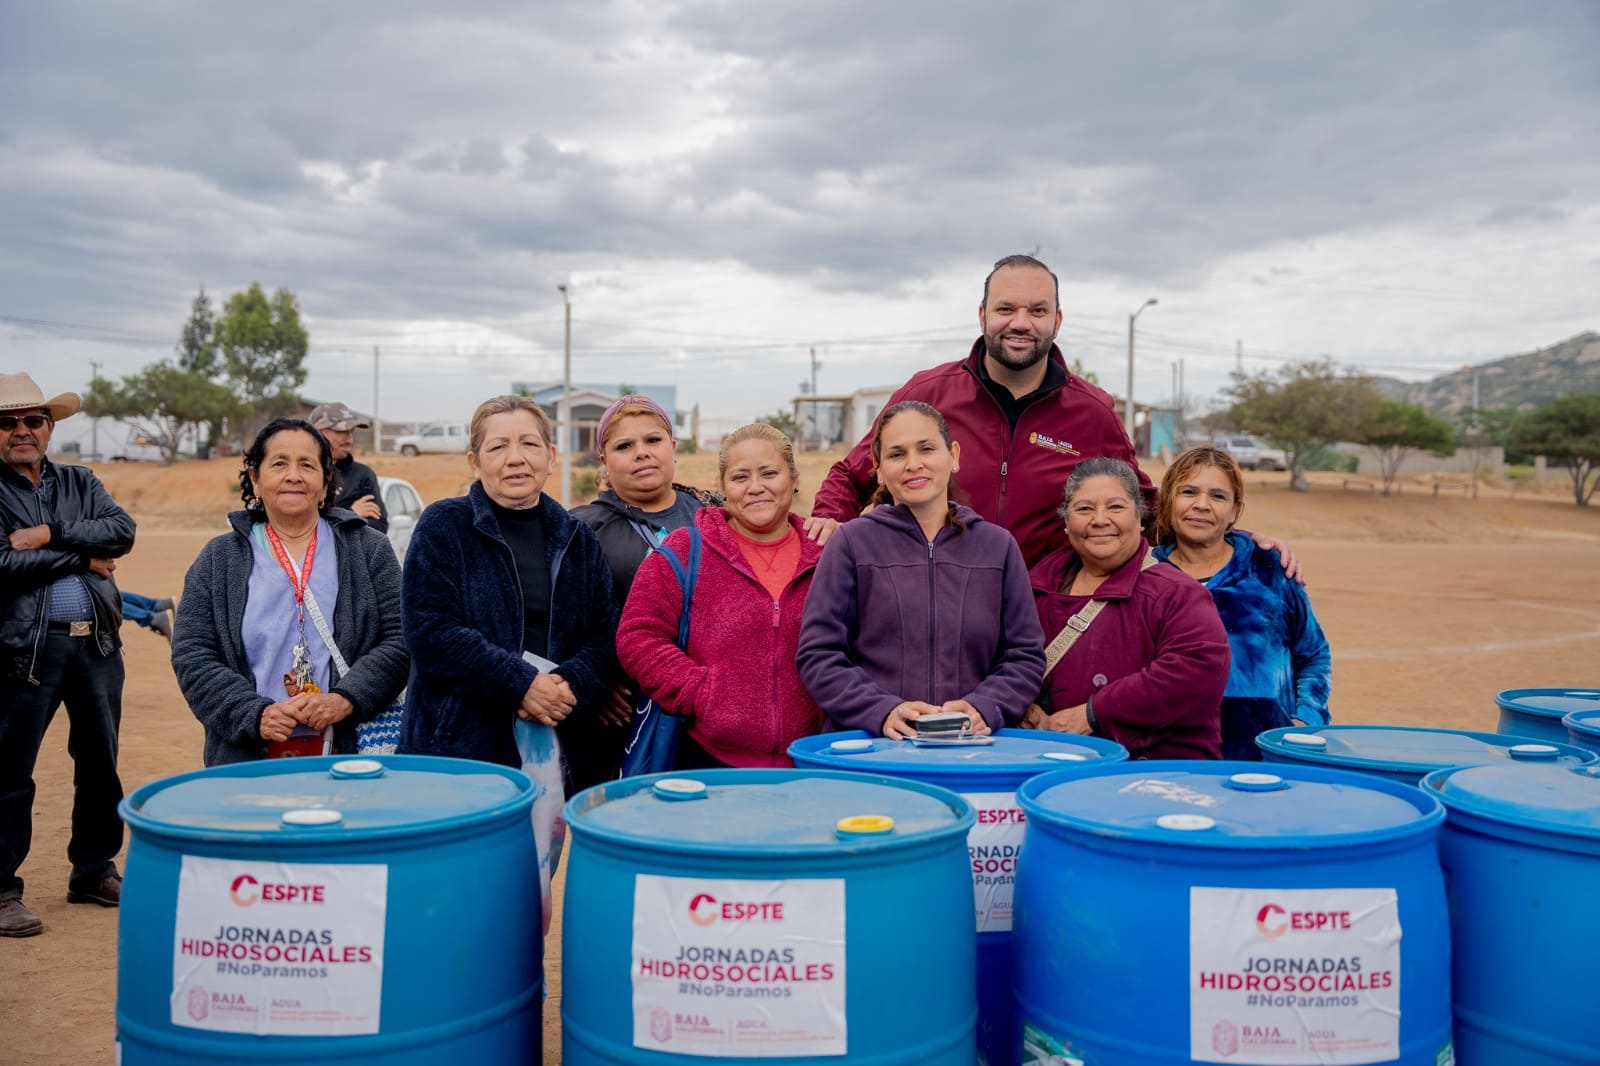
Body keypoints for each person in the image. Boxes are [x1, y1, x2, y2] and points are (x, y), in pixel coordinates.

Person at [811, 254, 1302, 581]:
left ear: (1057, 321)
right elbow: (850, 475)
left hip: (1048, 614)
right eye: (1006, 308)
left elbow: (1145, 506)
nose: (1020, 322)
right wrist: (826, 525)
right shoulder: (927, 394)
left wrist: (1232, 540)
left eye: (1037, 310)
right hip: (934, 603)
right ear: (982, 314)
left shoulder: (1092, 413)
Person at [397, 396, 615, 932]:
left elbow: (606, 636)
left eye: (529, 444)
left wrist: (569, 683)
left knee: (523, 910)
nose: (515, 458)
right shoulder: (443, 527)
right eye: (498, 446)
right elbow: (431, 632)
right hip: (459, 756)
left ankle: (519, 1007)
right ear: (475, 460)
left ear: (551, 456)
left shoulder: (577, 538)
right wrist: (522, 684)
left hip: (551, 758)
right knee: (449, 909)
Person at [798, 401, 1045, 738]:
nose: (914, 465)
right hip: (872, 751)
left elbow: (1025, 656)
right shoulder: (851, 544)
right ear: (879, 468)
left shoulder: (998, 548)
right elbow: (819, 653)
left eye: (926, 448)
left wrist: (987, 706)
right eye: (897, 454)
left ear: (953, 455)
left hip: (973, 749)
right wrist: (880, 711)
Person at [172, 419, 409, 767]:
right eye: (279, 463)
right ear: (255, 477)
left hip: (349, 754)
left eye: (307, 465)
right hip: (248, 756)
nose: (293, 476)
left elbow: (400, 638)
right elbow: (193, 654)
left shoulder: (368, 548)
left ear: (326, 480)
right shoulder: (219, 559)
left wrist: (345, 699)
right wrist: (255, 714)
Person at [0, 373, 135, 936]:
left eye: (33, 420)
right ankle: (2, 890)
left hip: (97, 643)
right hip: (19, 651)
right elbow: (2, 566)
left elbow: (121, 532)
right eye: (7, 423)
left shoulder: (81, 480)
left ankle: (93, 870)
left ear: (50, 427)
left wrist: (48, 533)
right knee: (9, 771)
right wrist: (81, 557)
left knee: (101, 763)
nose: (22, 432)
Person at [617, 423, 826, 768]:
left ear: (793, 478)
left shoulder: (827, 555)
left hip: (812, 760)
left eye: (769, 473)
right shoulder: (687, 550)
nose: (755, 487)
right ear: (723, 487)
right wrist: (703, 694)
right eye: (740, 477)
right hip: (709, 761)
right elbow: (638, 637)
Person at [1026, 457, 1230, 759]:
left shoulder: (1177, 593)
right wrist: (1021, 704)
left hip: (1156, 775)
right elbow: (999, 655)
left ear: (1139, 517)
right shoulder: (1035, 587)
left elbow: (1198, 666)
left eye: (1116, 507)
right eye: (1084, 509)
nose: (1099, 519)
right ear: (1066, 522)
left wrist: (1093, 714)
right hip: (1051, 768)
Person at [569, 394, 721, 788]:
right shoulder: (580, 530)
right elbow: (562, 621)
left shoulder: (717, 516)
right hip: (620, 718)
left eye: (652, 441)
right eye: (624, 446)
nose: (642, 454)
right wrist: (592, 684)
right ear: (604, 461)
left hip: (712, 710)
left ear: (673, 448)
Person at [1151, 446, 1331, 759]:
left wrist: (1305, 720)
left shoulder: (1270, 568)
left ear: (1235, 510)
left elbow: (1313, 654)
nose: (1202, 505)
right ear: (1168, 502)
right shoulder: (1146, 574)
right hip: (1168, 758)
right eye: (1188, 492)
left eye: (1218, 496)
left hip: (1264, 756)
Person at [308, 401, 386, 532]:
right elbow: (299, 526)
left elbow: (378, 527)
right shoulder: (299, 475)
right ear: (318, 433)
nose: (350, 440)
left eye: (351, 432)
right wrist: (351, 514)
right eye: (342, 431)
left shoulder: (362, 476)